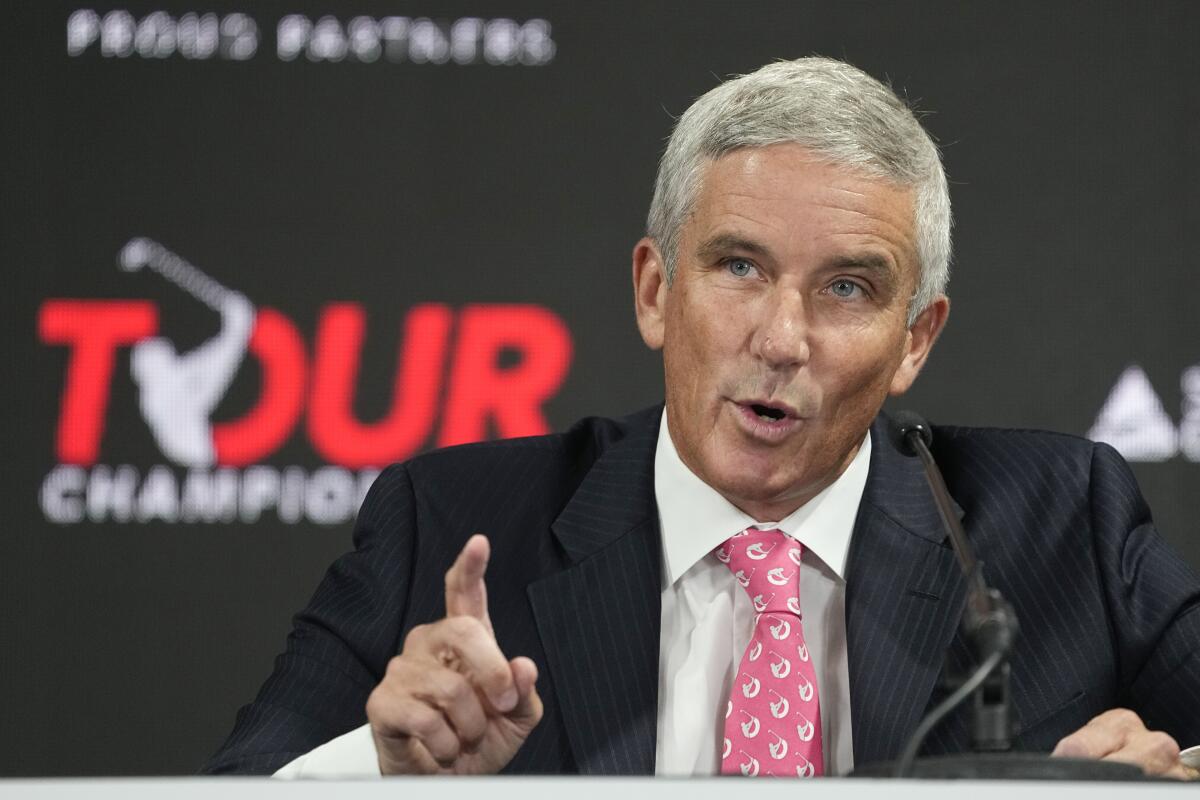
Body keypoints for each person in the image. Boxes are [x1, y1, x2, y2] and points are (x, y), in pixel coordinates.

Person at [204, 56, 1200, 779]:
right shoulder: (453, 521)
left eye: (848, 287)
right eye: (739, 267)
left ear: (915, 341)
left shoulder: (1061, 519)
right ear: (653, 290)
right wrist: (383, 768)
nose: (782, 336)